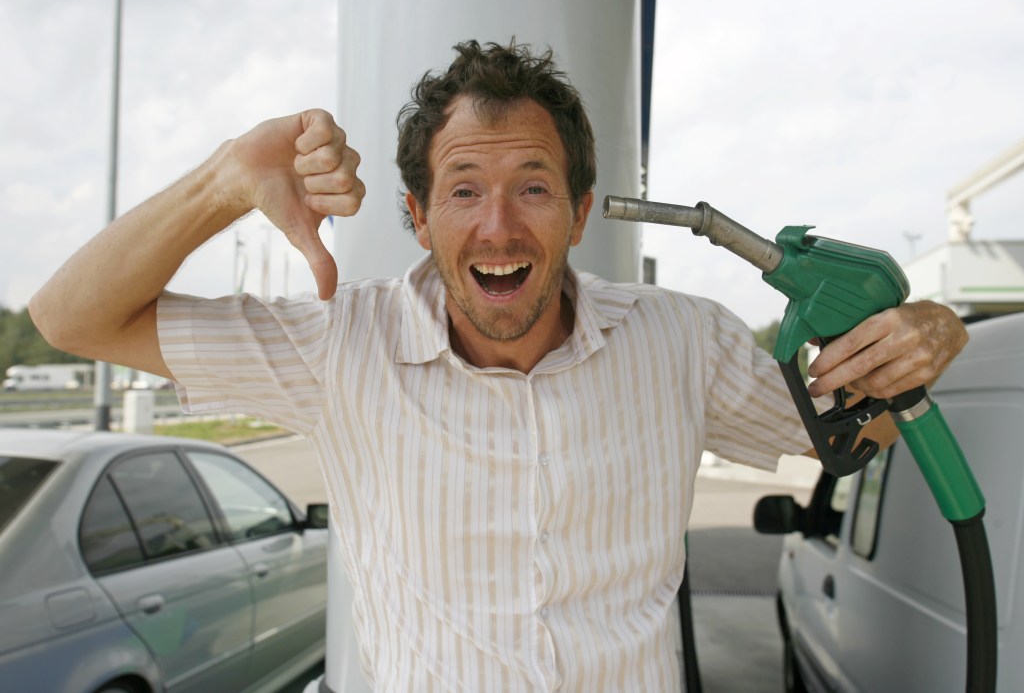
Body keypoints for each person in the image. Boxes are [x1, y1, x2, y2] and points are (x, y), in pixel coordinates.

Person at [30, 40, 967, 691]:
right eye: (464, 189)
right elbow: (68, 316)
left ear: (581, 212)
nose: (499, 226)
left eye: (534, 187)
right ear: (417, 215)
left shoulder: (683, 340)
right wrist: (226, 177)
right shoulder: (338, 347)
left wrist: (925, 334)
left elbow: (862, 426)